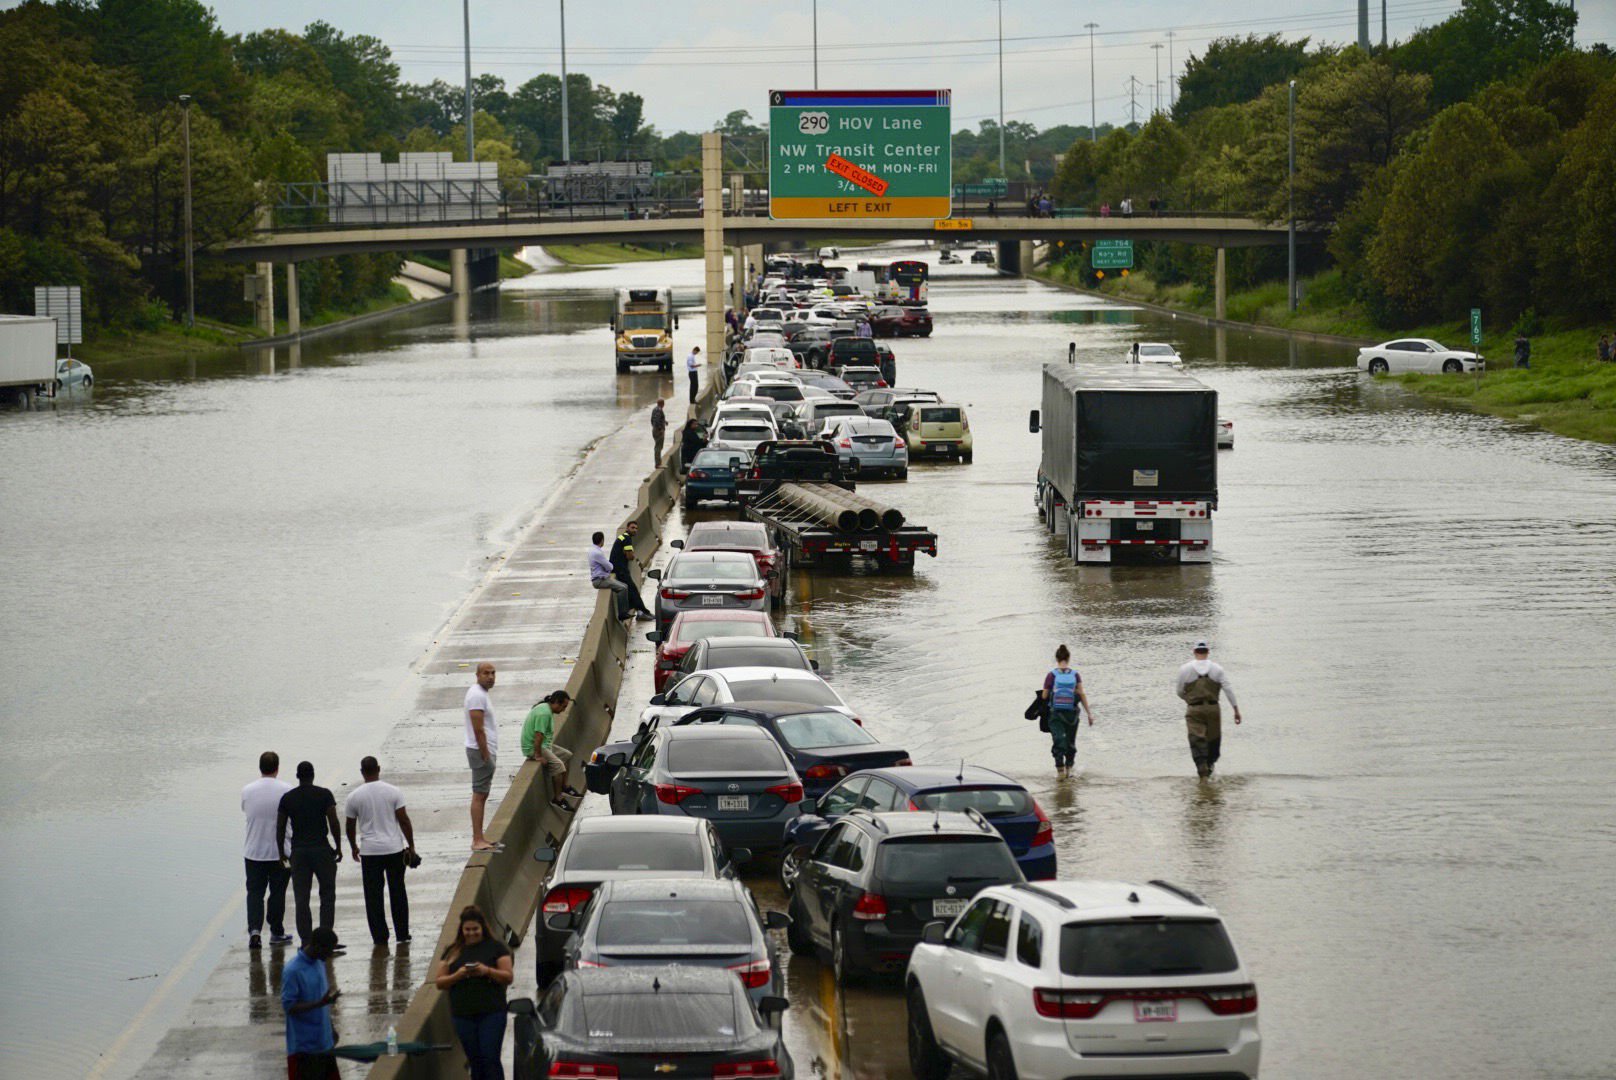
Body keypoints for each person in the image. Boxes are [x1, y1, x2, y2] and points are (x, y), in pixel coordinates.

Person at [434, 905, 513, 1080]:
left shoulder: (496, 948)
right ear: (462, 929)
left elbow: (508, 976)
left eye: (475, 929)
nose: (471, 933)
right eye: (467, 929)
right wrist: (458, 975)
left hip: (492, 1013)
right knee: (475, 1061)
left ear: (482, 927)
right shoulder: (452, 951)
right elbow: (440, 982)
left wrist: (487, 971)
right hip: (463, 1015)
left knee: (490, 1058)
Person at [343, 756, 415, 947]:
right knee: (397, 891)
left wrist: (353, 847)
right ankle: (402, 933)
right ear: (379, 769)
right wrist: (412, 845)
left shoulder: (354, 796)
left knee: (373, 895)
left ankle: (380, 937)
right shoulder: (393, 791)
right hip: (394, 849)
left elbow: (349, 826)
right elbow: (404, 820)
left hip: (370, 852)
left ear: (362, 772)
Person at [277, 761, 343, 950]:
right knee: (327, 895)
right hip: (321, 850)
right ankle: (325, 940)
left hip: (299, 853)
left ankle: (306, 941)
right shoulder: (324, 794)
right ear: (313, 775)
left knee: (301, 898)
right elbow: (333, 821)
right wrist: (338, 846)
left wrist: (281, 852)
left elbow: (280, 827)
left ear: (297, 776)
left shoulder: (288, 798)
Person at [242, 751, 293, 950]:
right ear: (277, 768)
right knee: (278, 892)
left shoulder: (247, 790)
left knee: (254, 892)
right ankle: (276, 931)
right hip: (282, 853)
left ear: (260, 768)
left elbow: (246, 810)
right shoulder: (287, 789)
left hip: (253, 852)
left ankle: (255, 931)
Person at [1175, 641, 1243, 779]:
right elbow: (1228, 690)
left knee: (1196, 738)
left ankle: (1202, 769)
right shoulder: (1217, 669)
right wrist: (1235, 709)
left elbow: (1179, 691)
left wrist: (1189, 700)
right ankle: (1210, 766)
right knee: (1214, 739)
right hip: (1213, 708)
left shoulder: (1185, 669)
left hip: (1194, 708)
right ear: (1207, 652)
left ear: (1194, 652)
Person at [282, 927, 342, 1080]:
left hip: (324, 1045)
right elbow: (289, 1007)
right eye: (328, 950)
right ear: (317, 946)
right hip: (304, 1050)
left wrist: (331, 1028)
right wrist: (319, 1004)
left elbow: (323, 1000)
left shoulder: (319, 964)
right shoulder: (293, 970)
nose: (329, 955)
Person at [1040, 645, 1094, 778]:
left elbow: (1045, 696)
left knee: (1059, 742)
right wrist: (1089, 714)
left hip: (1056, 714)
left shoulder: (1051, 675)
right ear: (1068, 658)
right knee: (1070, 743)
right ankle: (1069, 771)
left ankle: (1060, 774)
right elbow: (1081, 693)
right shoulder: (1075, 675)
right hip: (1072, 714)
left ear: (1056, 658)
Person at [522, 690, 582, 810]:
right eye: (563, 707)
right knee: (559, 766)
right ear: (556, 703)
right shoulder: (544, 714)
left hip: (544, 745)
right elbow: (538, 735)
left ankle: (564, 786)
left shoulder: (546, 709)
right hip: (534, 747)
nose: (564, 710)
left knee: (567, 755)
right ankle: (558, 799)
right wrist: (538, 756)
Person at [464, 662, 501, 853]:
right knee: (479, 795)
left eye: (493, 673)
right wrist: (485, 753)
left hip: (483, 751)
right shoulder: (477, 695)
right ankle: (477, 839)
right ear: (477, 675)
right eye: (486, 673)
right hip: (480, 752)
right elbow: (478, 728)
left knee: (483, 794)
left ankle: (480, 837)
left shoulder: (481, 694)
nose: (491, 677)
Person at [610, 521, 655, 622]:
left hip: (617, 568)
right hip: (620, 569)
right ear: (627, 528)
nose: (635, 530)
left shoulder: (623, 537)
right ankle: (644, 612)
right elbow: (630, 556)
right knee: (633, 590)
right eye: (632, 528)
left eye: (636, 528)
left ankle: (639, 611)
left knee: (631, 591)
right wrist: (633, 555)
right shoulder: (627, 539)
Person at [588, 530, 629, 614]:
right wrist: (610, 567)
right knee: (623, 588)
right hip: (600, 580)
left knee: (625, 585)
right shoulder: (597, 553)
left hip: (600, 578)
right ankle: (622, 613)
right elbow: (609, 566)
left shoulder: (592, 550)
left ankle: (624, 611)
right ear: (602, 540)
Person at [650, 398, 667, 468]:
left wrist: (664, 422)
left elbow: (652, 420)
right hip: (658, 430)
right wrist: (660, 429)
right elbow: (657, 420)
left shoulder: (655, 409)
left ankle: (658, 462)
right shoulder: (659, 410)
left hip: (655, 429)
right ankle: (658, 464)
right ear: (662, 404)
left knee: (658, 446)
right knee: (658, 447)